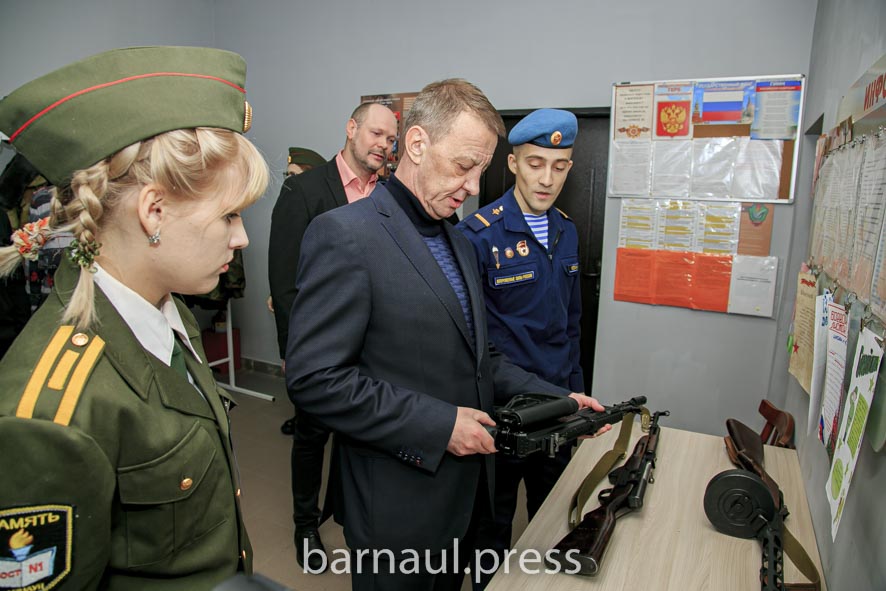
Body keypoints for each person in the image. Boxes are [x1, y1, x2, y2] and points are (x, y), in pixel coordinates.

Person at [286, 79, 607, 591]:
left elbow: (482, 358)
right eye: (464, 166)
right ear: (417, 144)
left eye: (481, 170)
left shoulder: (457, 240)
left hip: (465, 496)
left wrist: (559, 401)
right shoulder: (345, 234)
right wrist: (439, 425)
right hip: (397, 501)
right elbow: (315, 379)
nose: (474, 186)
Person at [0, 46, 269, 589]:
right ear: (154, 211)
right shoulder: (50, 413)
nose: (241, 238)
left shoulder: (168, 310)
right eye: (230, 215)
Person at [268, 103, 398, 572]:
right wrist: (293, 351)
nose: (383, 145)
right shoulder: (303, 190)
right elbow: (284, 282)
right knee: (311, 437)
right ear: (351, 128)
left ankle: (347, 510)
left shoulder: (388, 194)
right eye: (376, 133)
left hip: (374, 345)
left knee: (363, 432)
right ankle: (305, 525)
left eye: (390, 139)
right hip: (320, 347)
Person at [456, 108, 583, 589]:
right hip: (504, 412)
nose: (547, 178)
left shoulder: (567, 231)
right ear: (512, 164)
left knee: (556, 518)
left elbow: (571, 328)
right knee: (491, 527)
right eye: (535, 163)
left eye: (559, 166)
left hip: (557, 408)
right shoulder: (478, 235)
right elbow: (471, 344)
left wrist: (575, 400)